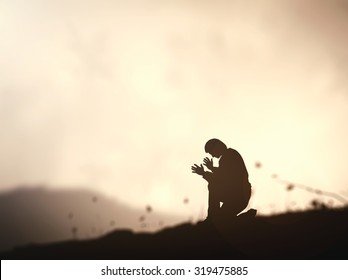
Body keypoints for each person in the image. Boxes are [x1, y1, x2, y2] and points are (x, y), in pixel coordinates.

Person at [191, 139, 252, 224]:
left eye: (211, 152)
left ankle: (211, 218)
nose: (212, 156)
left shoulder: (229, 156)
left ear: (216, 148)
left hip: (237, 197)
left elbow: (220, 179)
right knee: (223, 218)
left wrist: (204, 173)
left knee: (213, 186)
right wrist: (211, 169)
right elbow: (224, 174)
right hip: (238, 196)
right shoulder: (230, 155)